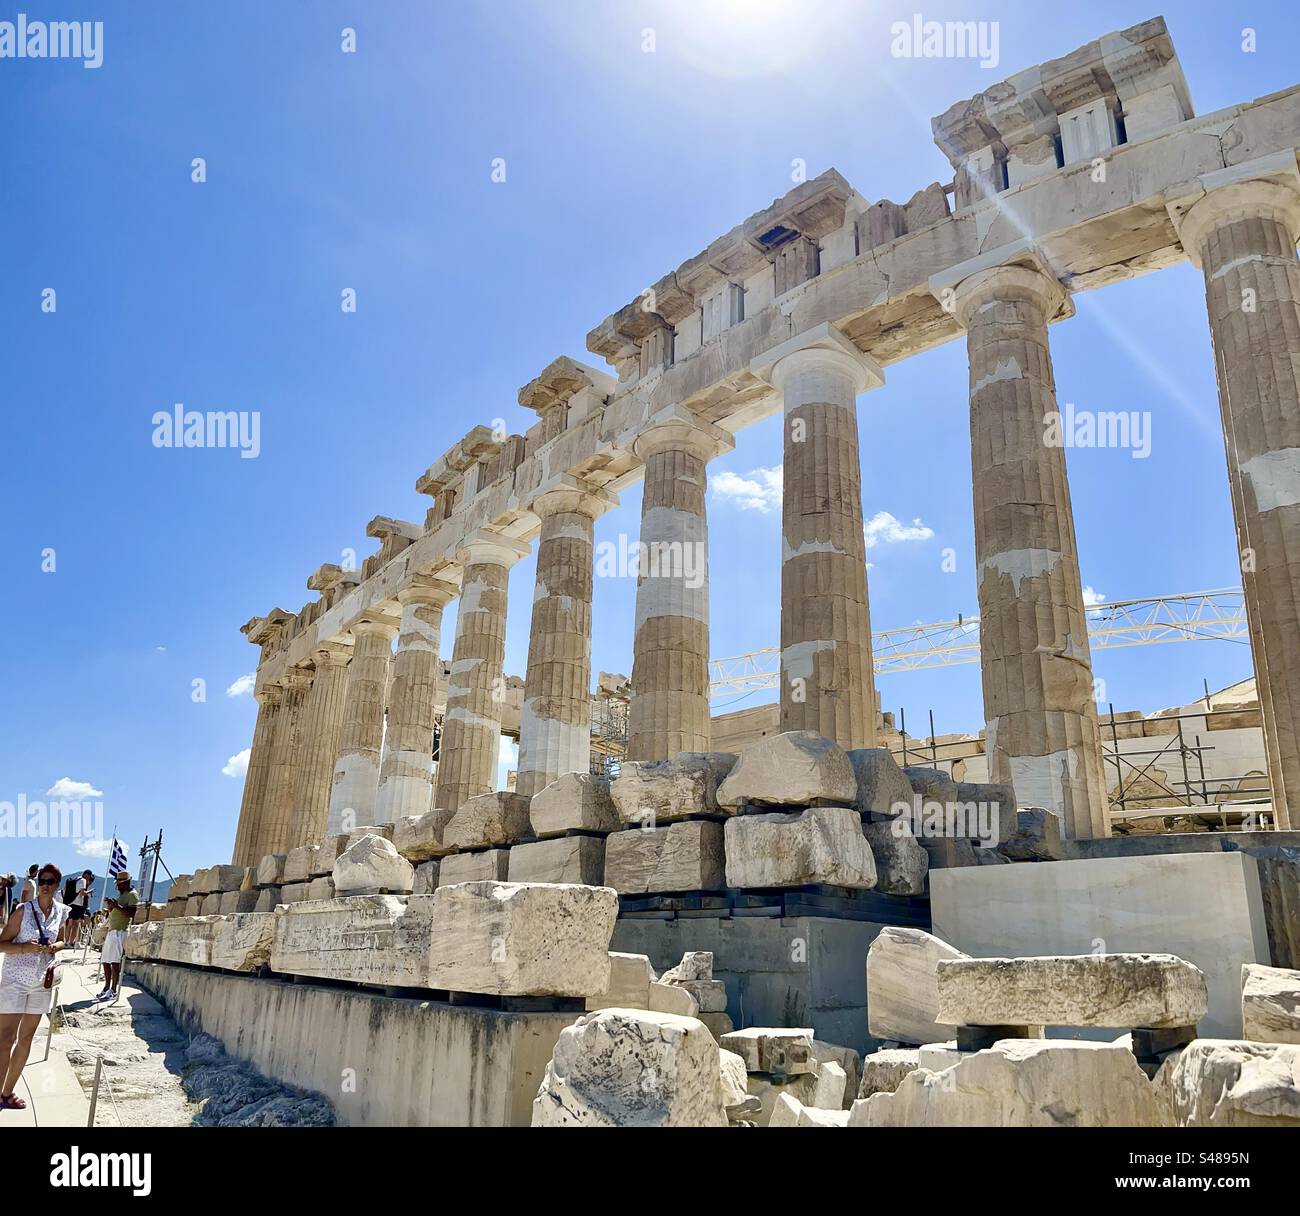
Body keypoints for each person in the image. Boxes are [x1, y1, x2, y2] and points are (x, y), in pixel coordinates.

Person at [0, 863, 70, 1110]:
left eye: (50, 881)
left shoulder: (61, 911)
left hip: (42, 981)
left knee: (26, 1038)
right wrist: (23, 948)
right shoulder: (23, 911)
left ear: (57, 885)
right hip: (15, 980)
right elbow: (2, 943)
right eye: (42, 881)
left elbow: (63, 939)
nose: (45, 885)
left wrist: (54, 947)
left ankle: (7, 1093)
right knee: (5, 1039)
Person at [98, 871, 138, 1002]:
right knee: (105, 960)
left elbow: (131, 913)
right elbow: (118, 910)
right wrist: (111, 907)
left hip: (120, 931)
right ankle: (106, 987)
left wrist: (117, 906)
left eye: (120, 884)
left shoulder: (132, 895)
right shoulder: (122, 895)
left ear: (127, 883)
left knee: (115, 961)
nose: (119, 887)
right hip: (112, 930)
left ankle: (113, 990)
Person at [63, 870, 94, 946]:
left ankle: (65, 941)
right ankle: (70, 942)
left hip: (70, 903)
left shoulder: (76, 879)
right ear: (88, 875)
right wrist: (89, 892)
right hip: (78, 905)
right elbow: (82, 893)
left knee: (69, 924)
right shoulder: (83, 880)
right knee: (76, 924)